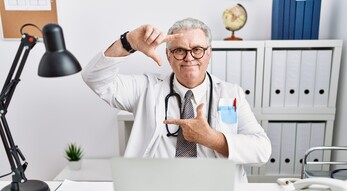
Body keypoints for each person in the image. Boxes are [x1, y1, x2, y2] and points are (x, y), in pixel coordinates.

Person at [82, 18, 271, 182]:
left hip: (214, 188)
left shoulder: (231, 94)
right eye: (180, 50)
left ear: (209, 53)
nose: (189, 57)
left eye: (197, 49)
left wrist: (212, 139)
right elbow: (94, 78)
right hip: (157, 189)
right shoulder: (146, 88)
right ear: (168, 56)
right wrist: (128, 42)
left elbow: (262, 150)